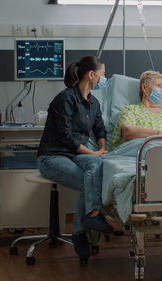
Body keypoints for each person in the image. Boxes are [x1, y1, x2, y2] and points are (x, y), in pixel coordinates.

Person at [37, 55, 113, 262]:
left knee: (96, 165)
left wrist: (102, 149)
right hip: (52, 157)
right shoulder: (65, 99)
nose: (104, 78)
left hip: (74, 156)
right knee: (89, 180)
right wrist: (93, 153)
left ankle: (88, 220)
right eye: (103, 74)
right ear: (91, 75)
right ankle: (85, 225)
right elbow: (66, 136)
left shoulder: (93, 103)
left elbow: (100, 129)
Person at [110, 70, 162, 149]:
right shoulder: (131, 110)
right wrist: (158, 134)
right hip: (144, 153)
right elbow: (127, 131)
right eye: (158, 86)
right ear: (144, 87)